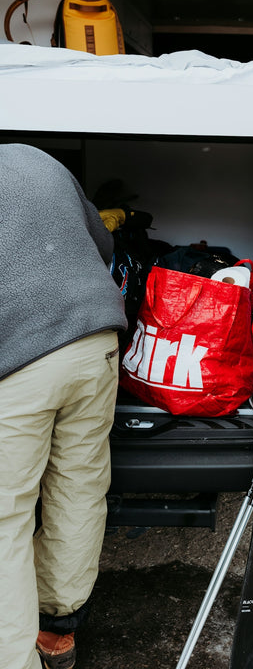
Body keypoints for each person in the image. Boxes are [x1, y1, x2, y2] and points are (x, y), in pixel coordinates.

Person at [0, 144, 127, 669]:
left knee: (4, 515)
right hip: (94, 338)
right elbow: (101, 241)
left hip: (22, 359)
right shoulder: (36, 159)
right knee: (79, 483)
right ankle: (57, 628)